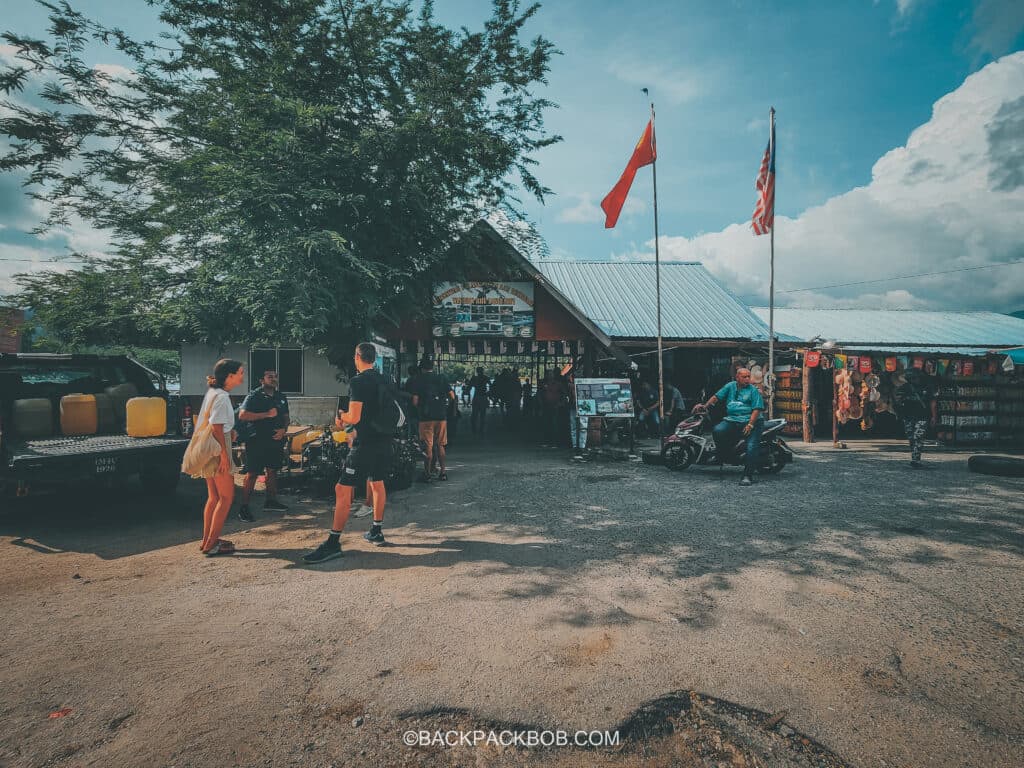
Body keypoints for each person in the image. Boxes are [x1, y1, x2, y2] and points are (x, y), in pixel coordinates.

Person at [303, 343, 391, 563]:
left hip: (365, 444)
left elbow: (356, 417)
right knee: (377, 483)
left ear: (357, 357)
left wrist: (342, 418)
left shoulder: (358, 381)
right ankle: (376, 531)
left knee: (342, 489)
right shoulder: (386, 380)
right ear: (374, 358)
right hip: (385, 441)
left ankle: (333, 542)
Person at [198, 358, 245, 555]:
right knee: (226, 498)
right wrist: (225, 456)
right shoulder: (223, 397)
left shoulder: (213, 393)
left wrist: (230, 431)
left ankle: (207, 540)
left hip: (208, 445)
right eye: (240, 373)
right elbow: (217, 426)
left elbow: (214, 424)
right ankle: (211, 544)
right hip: (218, 447)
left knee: (214, 497)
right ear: (230, 376)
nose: (243, 376)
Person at [695, 367, 764, 486]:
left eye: (748, 376)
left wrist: (750, 425)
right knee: (718, 430)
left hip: (752, 421)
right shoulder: (730, 386)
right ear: (737, 377)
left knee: (751, 446)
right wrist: (705, 406)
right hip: (733, 419)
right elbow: (716, 397)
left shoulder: (753, 390)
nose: (747, 379)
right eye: (744, 377)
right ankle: (723, 455)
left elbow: (757, 409)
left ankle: (747, 475)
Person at [236, 369, 290, 521]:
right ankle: (244, 507)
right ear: (262, 380)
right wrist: (266, 415)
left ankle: (271, 501)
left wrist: (283, 430)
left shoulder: (281, 397)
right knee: (253, 472)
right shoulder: (254, 395)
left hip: (275, 439)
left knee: (272, 470)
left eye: (275, 377)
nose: (273, 379)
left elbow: (286, 417)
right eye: (269, 377)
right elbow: (243, 415)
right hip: (256, 440)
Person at [411, 357, 455, 481]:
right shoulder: (442, 378)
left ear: (422, 368)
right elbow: (452, 396)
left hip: (425, 418)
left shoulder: (418, 379)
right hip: (441, 416)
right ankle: (443, 472)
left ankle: (427, 474)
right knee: (440, 445)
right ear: (432, 367)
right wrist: (445, 405)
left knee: (427, 446)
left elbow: (415, 401)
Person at [894, 370, 938, 468]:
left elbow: (933, 403)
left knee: (918, 437)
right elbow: (897, 401)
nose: (915, 380)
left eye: (916, 378)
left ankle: (916, 460)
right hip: (908, 417)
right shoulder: (904, 388)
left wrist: (934, 416)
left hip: (922, 416)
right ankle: (914, 458)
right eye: (913, 378)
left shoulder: (927, 387)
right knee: (911, 439)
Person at [468, 366, 489, 435]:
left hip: (476, 397)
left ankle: (474, 429)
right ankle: (481, 430)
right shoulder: (485, 378)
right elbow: (492, 386)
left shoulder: (474, 378)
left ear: (477, 371)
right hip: (483, 397)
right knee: (483, 415)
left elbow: (469, 387)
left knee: (474, 414)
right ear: (482, 371)